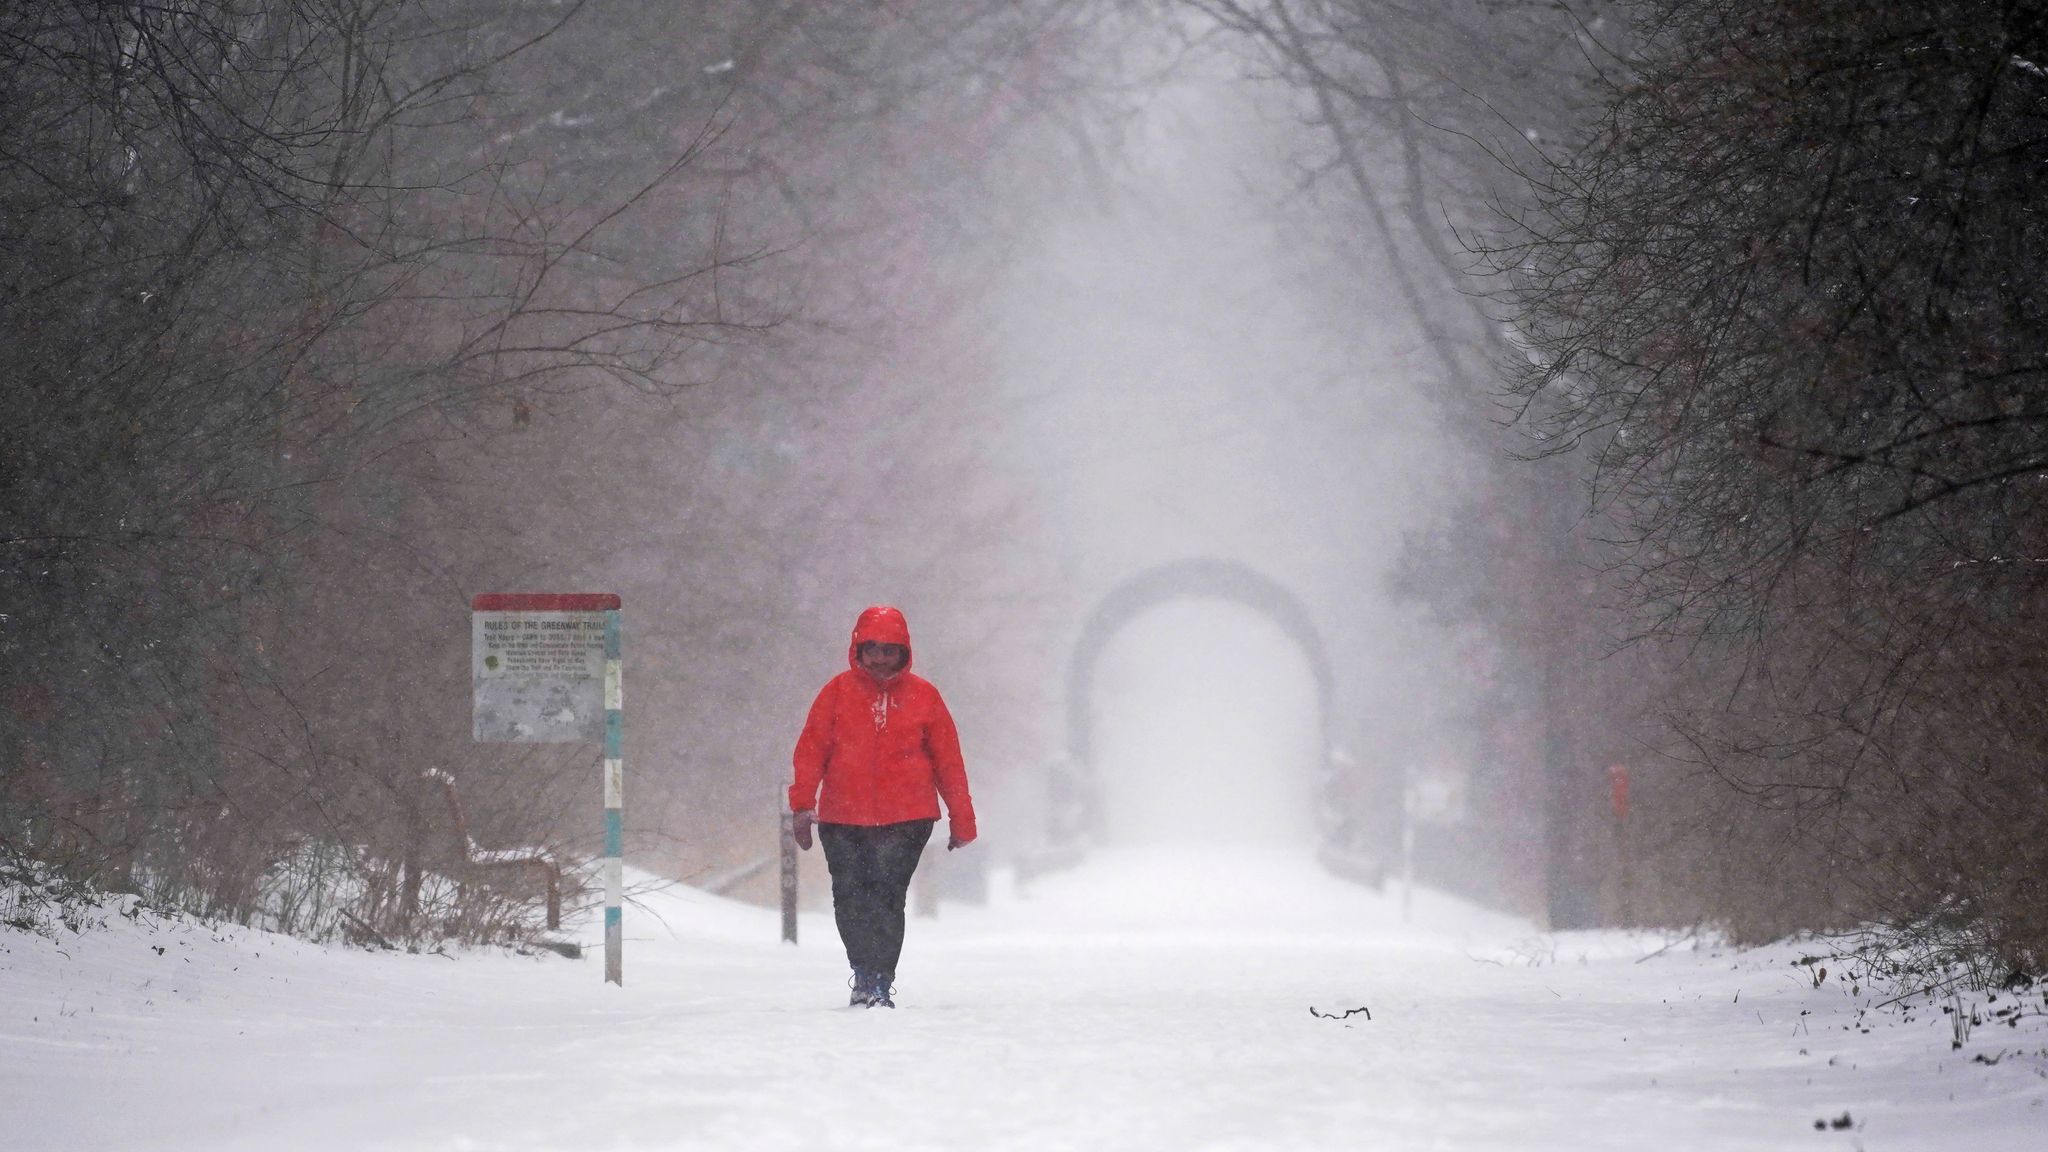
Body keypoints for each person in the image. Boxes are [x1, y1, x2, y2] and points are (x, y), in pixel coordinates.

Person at [790, 605, 976, 1008]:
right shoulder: (835, 693)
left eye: (889, 650)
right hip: (842, 816)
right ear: (857, 647)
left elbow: (948, 762)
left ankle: (879, 979)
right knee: (849, 896)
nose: (879, 657)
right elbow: (810, 752)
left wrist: (963, 817)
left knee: (887, 895)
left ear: (904, 652)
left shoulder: (925, 698)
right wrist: (802, 805)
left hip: (907, 817)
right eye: (872, 648)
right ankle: (863, 968)